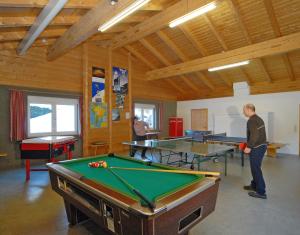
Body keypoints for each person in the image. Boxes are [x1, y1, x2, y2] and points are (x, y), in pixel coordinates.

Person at [243, 104, 268, 199]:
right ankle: (254, 185)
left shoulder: (251, 120)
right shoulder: (258, 118)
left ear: (249, 109)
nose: (243, 112)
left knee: (255, 169)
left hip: (257, 147)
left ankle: (261, 192)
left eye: (244, 110)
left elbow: (254, 135)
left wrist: (249, 146)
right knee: (255, 167)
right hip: (261, 146)